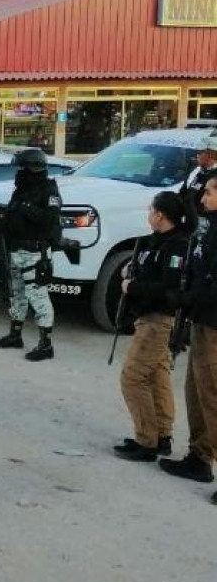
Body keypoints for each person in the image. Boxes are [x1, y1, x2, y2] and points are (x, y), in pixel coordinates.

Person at [113, 192, 189, 462]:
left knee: (133, 377)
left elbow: (168, 288)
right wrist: (130, 272)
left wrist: (132, 287)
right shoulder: (153, 242)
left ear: (160, 214)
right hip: (145, 317)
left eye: (151, 210)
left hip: (159, 320)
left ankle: (146, 440)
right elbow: (146, 268)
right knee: (157, 377)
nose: (148, 214)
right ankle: (162, 435)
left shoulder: (177, 246)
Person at [160, 176, 217, 496]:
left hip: (213, 323)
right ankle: (199, 457)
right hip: (200, 320)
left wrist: (187, 299)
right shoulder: (207, 226)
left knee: (212, 396)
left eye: (209, 192)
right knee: (196, 393)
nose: (203, 197)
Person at [0, 148, 63, 361]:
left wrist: (26, 209)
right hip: (16, 249)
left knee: (38, 297)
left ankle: (46, 344)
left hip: (35, 252)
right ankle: (15, 335)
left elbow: (50, 219)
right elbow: (13, 215)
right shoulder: (20, 191)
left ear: (32, 169)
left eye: (21, 168)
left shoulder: (49, 191)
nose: (18, 173)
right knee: (16, 294)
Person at [178, 135, 217, 233]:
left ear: (211, 154)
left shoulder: (215, 176)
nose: (197, 154)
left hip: (206, 228)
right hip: (190, 224)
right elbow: (185, 193)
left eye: (200, 152)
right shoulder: (197, 171)